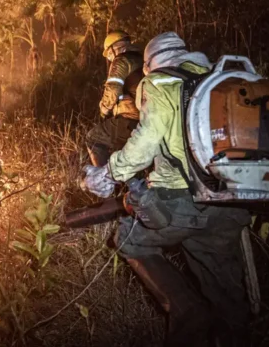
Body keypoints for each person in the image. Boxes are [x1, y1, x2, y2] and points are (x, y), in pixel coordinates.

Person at [82, 32, 251, 346]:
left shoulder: (159, 82)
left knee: (129, 240)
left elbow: (146, 141)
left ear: (148, 65)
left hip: (181, 202)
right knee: (223, 289)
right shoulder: (216, 80)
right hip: (230, 202)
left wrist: (109, 173)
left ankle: (187, 310)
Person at [85, 30, 144, 167]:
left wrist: (104, 110)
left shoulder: (121, 60)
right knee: (123, 155)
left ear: (114, 48)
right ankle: (129, 184)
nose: (110, 58)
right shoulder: (141, 59)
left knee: (93, 138)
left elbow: (113, 89)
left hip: (131, 119)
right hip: (147, 119)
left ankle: (103, 182)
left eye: (109, 53)